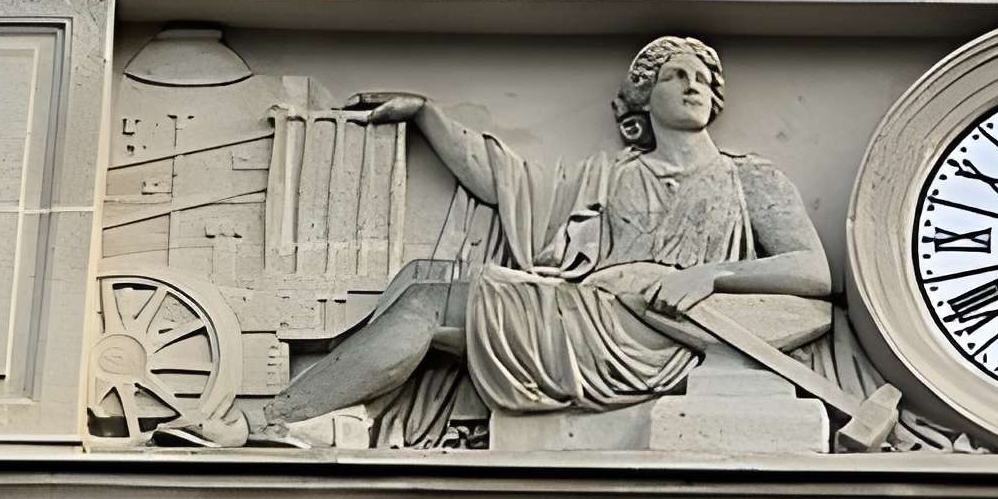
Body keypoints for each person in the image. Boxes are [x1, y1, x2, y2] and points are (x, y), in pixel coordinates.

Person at [248, 34, 831, 440]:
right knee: (422, 275)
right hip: (588, 312)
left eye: (702, 78)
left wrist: (708, 275)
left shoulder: (748, 178)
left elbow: (813, 272)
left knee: (430, 299)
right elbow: (506, 182)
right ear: (642, 98)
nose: (692, 85)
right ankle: (349, 413)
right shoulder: (611, 176)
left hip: (655, 333)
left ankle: (276, 419)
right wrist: (428, 116)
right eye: (675, 76)